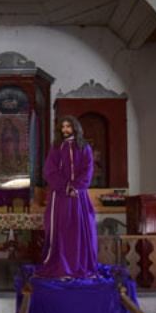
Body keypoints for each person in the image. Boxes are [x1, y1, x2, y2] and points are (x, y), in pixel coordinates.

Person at [34, 115, 99, 278]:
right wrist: (65, 187)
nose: (65, 130)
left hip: (79, 197)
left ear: (75, 127)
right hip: (61, 197)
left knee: (80, 230)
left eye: (68, 126)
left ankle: (79, 265)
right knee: (62, 230)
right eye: (62, 127)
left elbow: (88, 170)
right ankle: (62, 266)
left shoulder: (85, 147)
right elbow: (50, 171)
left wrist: (76, 187)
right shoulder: (56, 148)